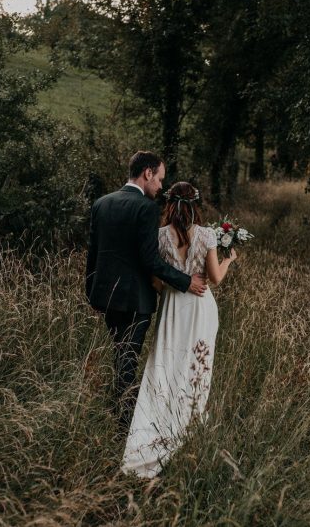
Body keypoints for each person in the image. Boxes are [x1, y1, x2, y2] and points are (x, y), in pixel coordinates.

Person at [122, 181, 238, 478]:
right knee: (196, 367)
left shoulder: (160, 236)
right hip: (200, 308)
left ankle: (153, 434)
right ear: (196, 205)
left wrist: (171, 286)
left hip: (172, 309)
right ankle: (186, 428)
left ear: (169, 204)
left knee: (165, 364)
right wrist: (229, 260)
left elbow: (156, 281)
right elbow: (215, 278)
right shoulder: (207, 235)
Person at [86, 152, 208, 430]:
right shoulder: (146, 208)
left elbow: (92, 254)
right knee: (128, 358)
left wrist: (91, 292)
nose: (161, 188)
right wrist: (186, 281)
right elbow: (150, 260)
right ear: (147, 174)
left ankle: (118, 409)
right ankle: (124, 424)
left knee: (121, 353)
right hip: (135, 300)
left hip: (105, 297)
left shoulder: (102, 203)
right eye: (160, 180)